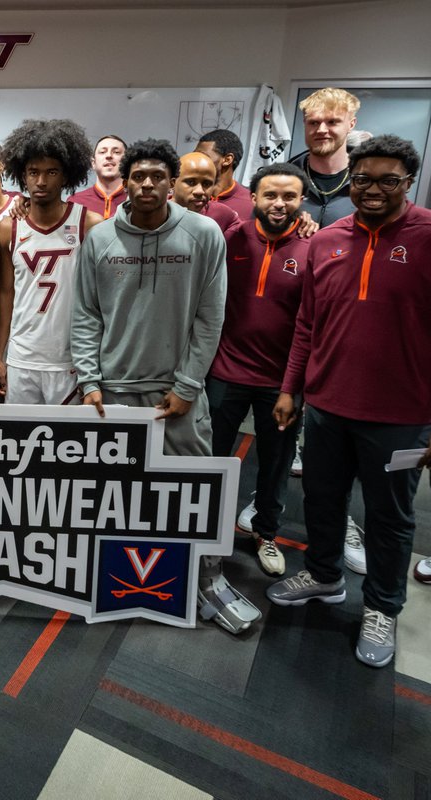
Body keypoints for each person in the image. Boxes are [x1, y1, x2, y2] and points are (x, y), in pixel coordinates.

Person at [70, 139, 254, 634]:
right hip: (112, 391)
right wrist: (89, 381)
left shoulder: (203, 233)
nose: (147, 184)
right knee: (114, 496)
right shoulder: (100, 238)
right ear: (125, 181)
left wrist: (189, 385)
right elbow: (85, 314)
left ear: (171, 182)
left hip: (177, 392)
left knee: (194, 492)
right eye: (138, 176)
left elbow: (210, 317)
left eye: (157, 176)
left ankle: (208, 581)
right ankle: (121, 578)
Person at [267, 135, 431, 668]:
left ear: (409, 182)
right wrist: (291, 389)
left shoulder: (428, 236)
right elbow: (306, 325)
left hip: (402, 416)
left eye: (389, 180)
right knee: (321, 498)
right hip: (327, 406)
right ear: (349, 181)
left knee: (389, 518)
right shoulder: (327, 241)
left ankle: (382, 607)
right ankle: (324, 575)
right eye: (362, 180)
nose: (373, 190)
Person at [206, 163, 310, 578]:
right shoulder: (232, 238)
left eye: (289, 196)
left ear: (301, 200)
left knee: (275, 464)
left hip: (280, 382)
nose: (279, 203)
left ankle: (266, 533)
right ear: (254, 198)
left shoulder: (313, 247)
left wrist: (292, 387)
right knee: (212, 459)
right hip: (224, 372)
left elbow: (308, 324)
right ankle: (205, 531)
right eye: (270, 195)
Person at [0, 119, 103, 404]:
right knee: (19, 433)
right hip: (22, 358)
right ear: (22, 176)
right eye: (33, 172)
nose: (41, 181)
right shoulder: (8, 228)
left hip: (70, 360)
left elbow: (101, 299)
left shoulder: (88, 224)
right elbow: (6, 294)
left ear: (65, 176)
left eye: (51, 172)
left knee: (69, 434)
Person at [288, 87, 360, 227]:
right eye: (313, 122)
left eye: (332, 122)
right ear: (305, 123)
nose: (321, 130)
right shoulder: (282, 179)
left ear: (351, 124)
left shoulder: (369, 183)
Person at [171, 151, 240, 231]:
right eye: (191, 182)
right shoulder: (160, 211)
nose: (199, 191)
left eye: (207, 184)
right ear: (173, 183)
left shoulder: (222, 214)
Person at [194, 129, 254, 220]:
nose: (195, 160)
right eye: (195, 155)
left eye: (203, 156)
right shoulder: (188, 195)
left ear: (227, 160)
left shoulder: (252, 204)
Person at [69, 135, 127, 219]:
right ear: (93, 163)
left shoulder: (137, 201)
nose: (109, 155)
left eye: (116, 152)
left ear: (127, 161)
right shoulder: (75, 202)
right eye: (102, 152)